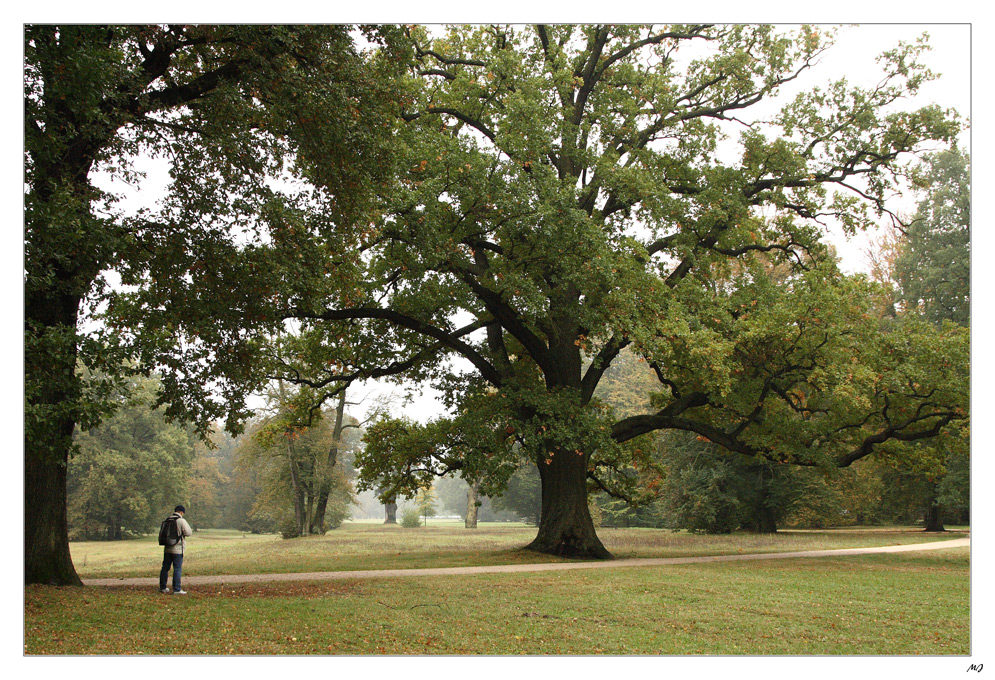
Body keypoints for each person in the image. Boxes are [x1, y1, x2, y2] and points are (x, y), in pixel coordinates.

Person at [159, 505, 193, 594]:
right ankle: (177, 589)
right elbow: (189, 533)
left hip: (167, 548)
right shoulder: (181, 521)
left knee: (165, 568)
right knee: (177, 568)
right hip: (177, 549)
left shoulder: (167, 520)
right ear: (181, 512)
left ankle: (163, 587)